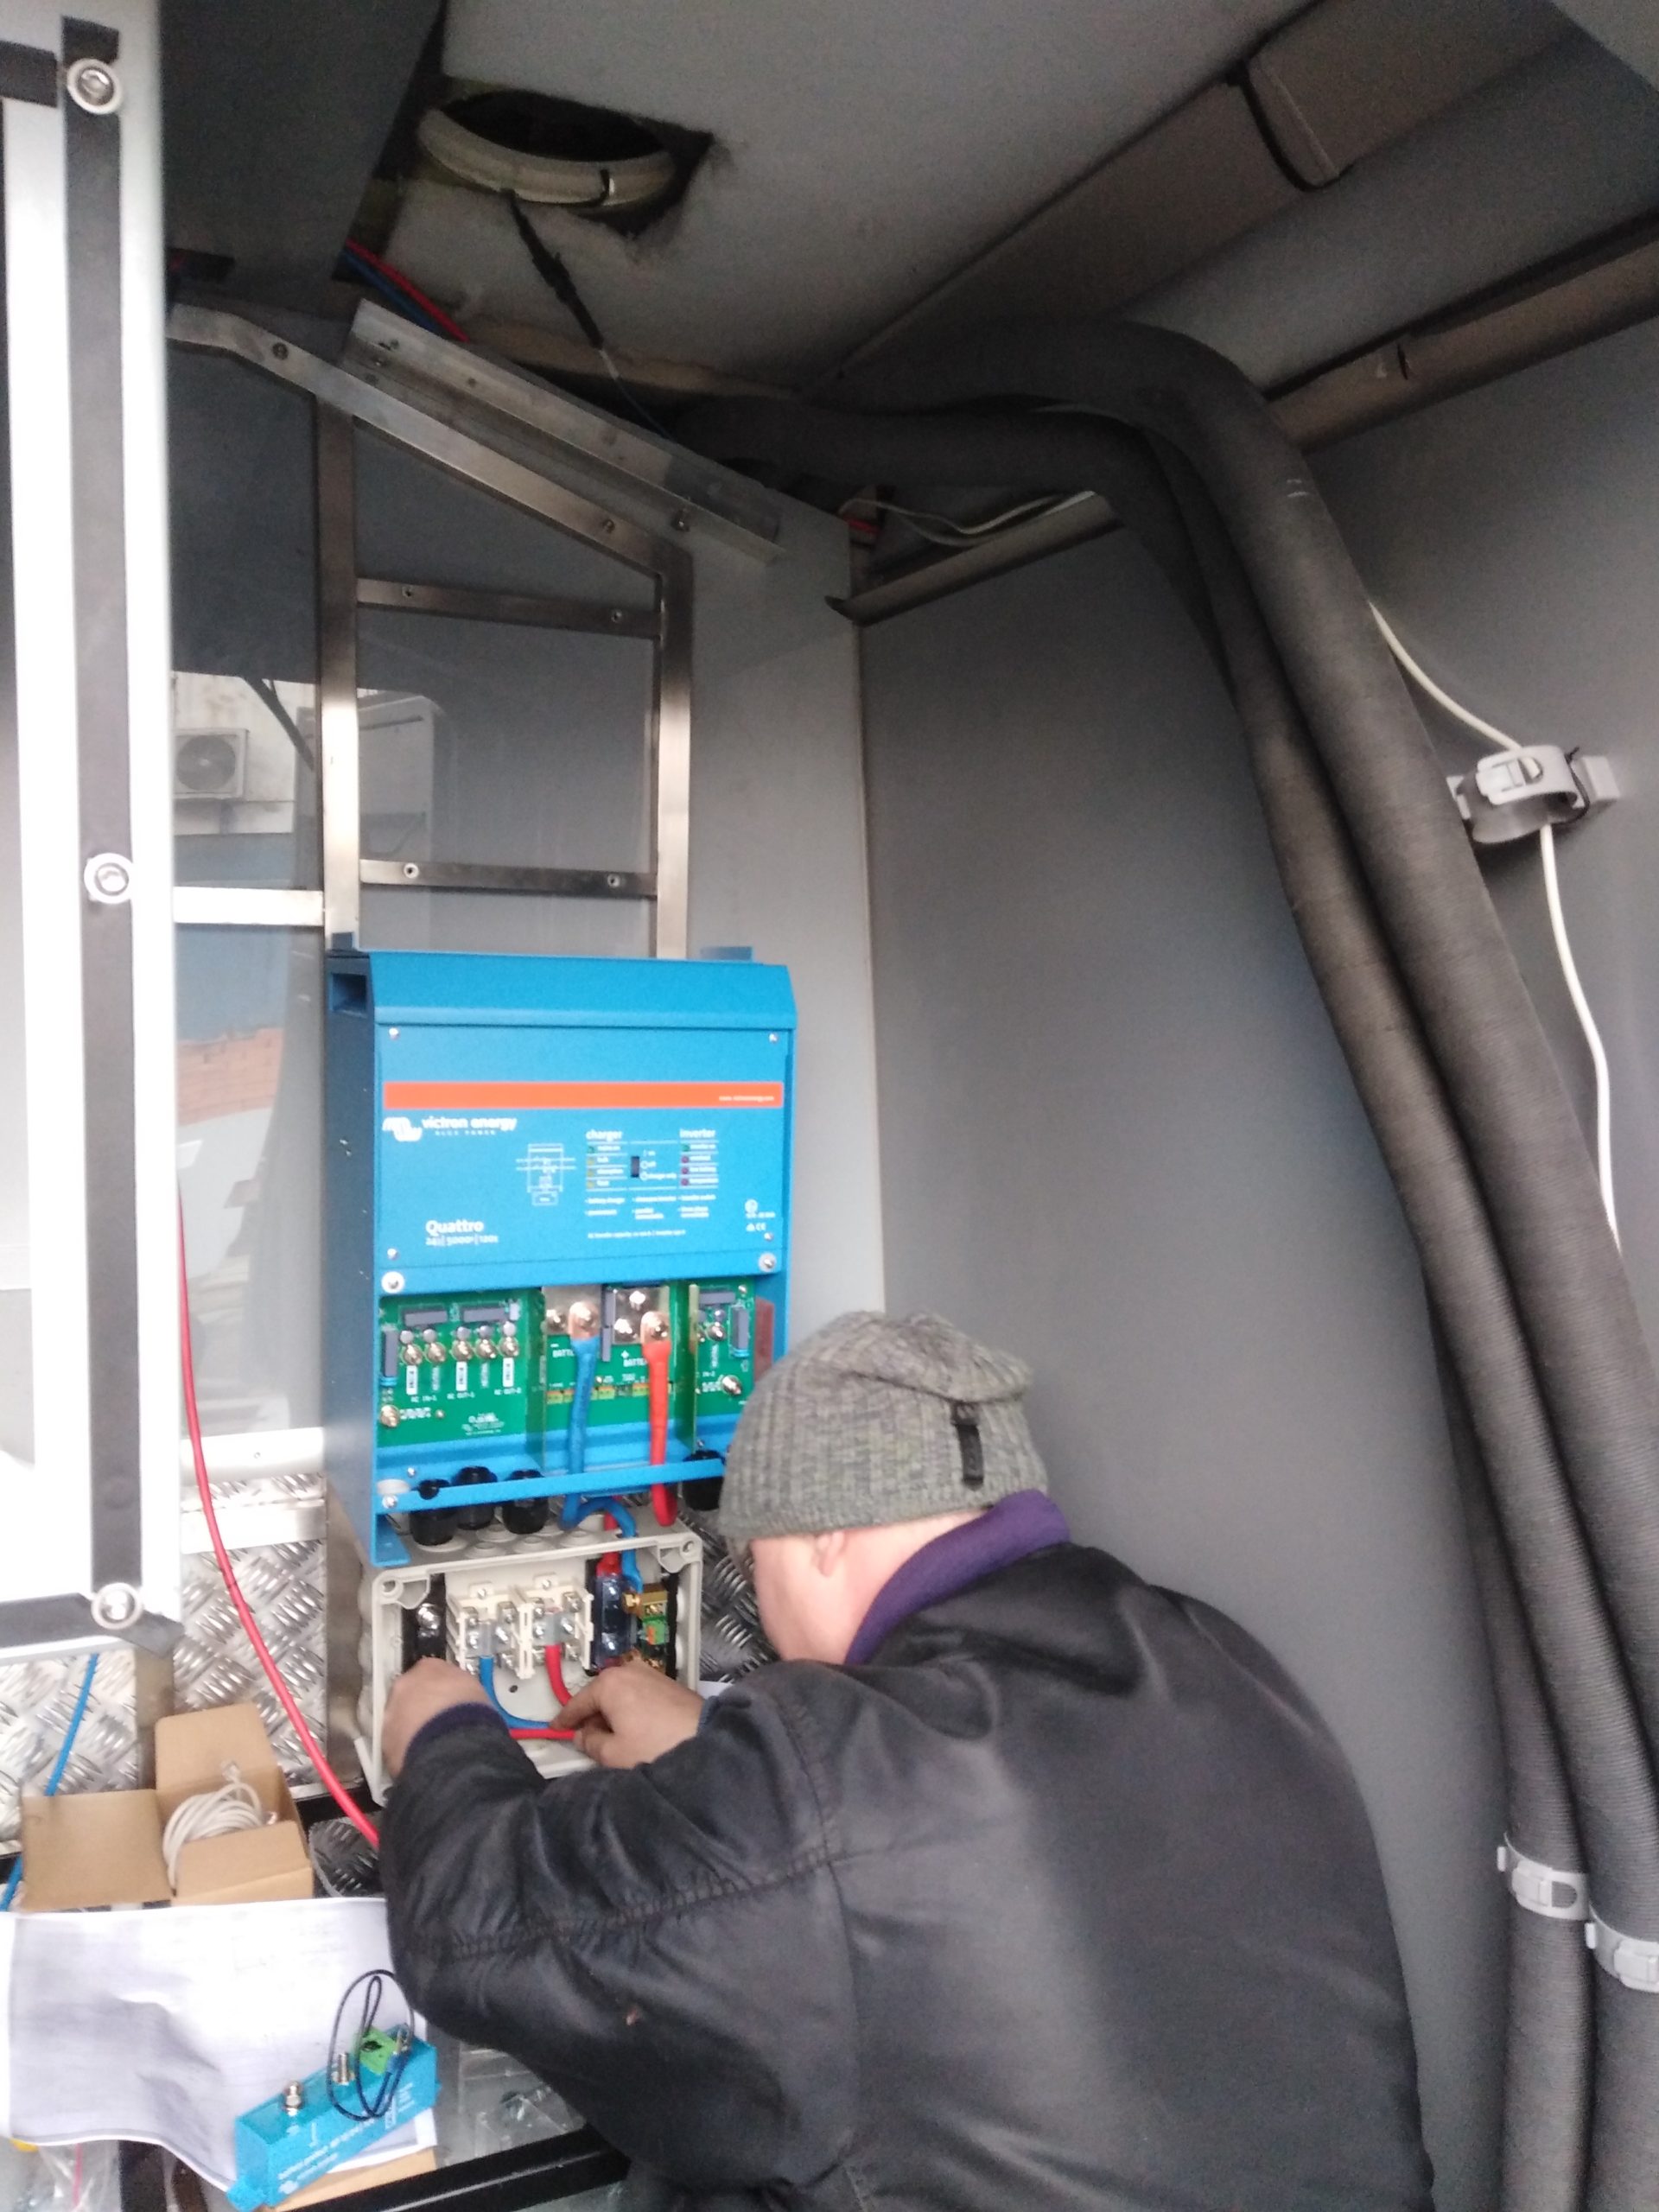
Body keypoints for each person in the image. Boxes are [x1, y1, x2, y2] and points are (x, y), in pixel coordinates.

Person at [380, 1312, 1431, 2211]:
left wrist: (446, 1732)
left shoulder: (824, 1782)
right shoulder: (1215, 1657)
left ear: (823, 1538)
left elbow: (468, 1927)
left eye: (753, 1558)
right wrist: (714, 1750)